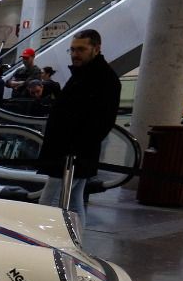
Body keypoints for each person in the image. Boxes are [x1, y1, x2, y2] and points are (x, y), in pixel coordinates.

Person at [38, 28, 122, 226]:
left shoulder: (103, 78)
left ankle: (44, 247)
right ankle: (77, 246)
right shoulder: (85, 74)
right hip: (71, 154)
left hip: (72, 156)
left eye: (81, 49)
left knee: (47, 203)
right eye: (72, 50)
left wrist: (74, 151)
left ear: (96, 49)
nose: (75, 54)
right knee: (74, 203)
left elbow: (102, 122)